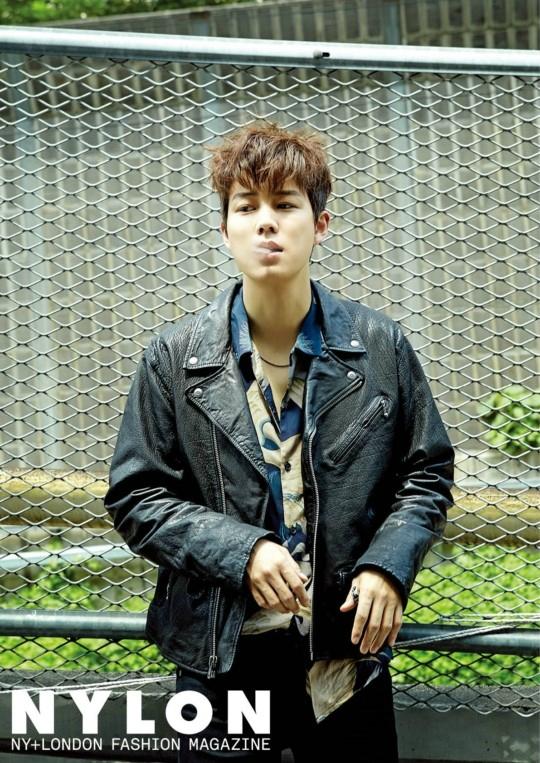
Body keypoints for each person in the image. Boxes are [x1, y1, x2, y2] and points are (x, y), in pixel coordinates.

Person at [104, 121, 455, 762]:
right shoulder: (175, 358)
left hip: (345, 659)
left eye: (286, 204)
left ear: (320, 225)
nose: (266, 222)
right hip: (221, 662)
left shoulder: (381, 346)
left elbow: (426, 473)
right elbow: (137, 496)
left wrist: (387, 566)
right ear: (225, 229)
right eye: (247, 207)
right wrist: (245, 552)